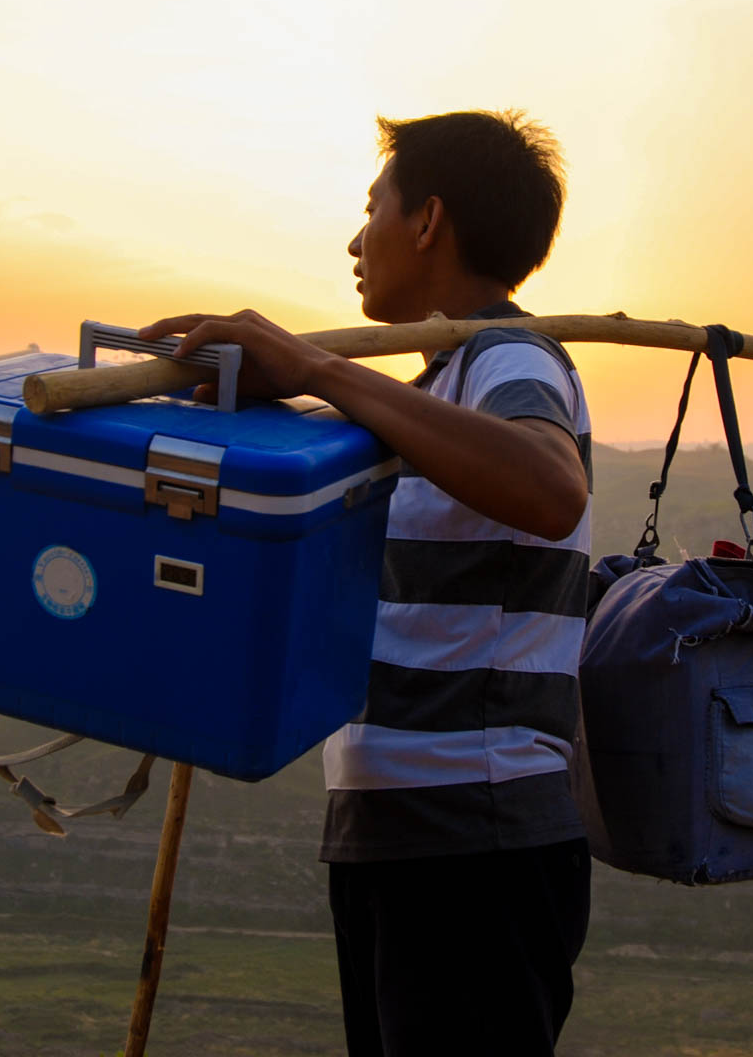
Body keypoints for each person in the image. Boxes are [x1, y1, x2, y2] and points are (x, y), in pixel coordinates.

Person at [139, 109, 593, 1057]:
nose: (356, 239)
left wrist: (314, 363)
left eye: (372, 208)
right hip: (398, 830)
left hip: (475, 832)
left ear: (427, 222)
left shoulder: (507, 359)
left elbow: (551, 486)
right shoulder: (429, 389)